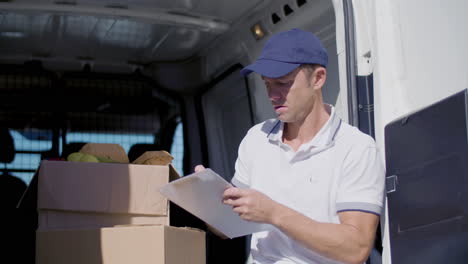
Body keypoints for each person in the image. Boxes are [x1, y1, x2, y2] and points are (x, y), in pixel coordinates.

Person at [195, 28, 385, 264]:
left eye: (282, 83)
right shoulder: (256, 138)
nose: (273, 95)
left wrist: (274, 213)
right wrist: (207, 200)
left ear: (318, 78)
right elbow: (227, 228)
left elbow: (355, 249)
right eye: (266, 84)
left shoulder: (357, 148)